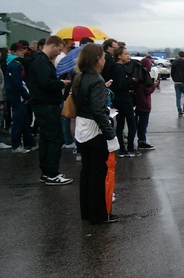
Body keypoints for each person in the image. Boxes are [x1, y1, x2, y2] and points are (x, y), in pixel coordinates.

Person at [72, 44, 120, 224]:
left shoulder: (78, 77)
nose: (105, 59)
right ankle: (99, 214)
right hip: (95, 131)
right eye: (103, 56)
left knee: (86, 172)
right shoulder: (96, 80)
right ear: (97, 59)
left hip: (81, 129)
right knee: (98, 174)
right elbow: (98, 111)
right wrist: (111, 135)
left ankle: (87, 212)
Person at [26, 35, 73, 185]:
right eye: (59, 50)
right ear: (53, 45)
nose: (59, 53)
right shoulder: (41, 61)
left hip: (41, 103)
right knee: (54, 138)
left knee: (46, 139)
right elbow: (45, 82)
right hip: (46, 104)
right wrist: (60, 83)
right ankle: (52, 173)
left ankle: (46, 172)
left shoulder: (37, 59)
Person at [5, 42, 37, 153]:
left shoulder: (15, 63)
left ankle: (30, 143)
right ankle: (16, 145)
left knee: (23, 121)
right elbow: (17, 83)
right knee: (19, 121)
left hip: (18, 97)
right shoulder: (15, 65)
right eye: (20, 50)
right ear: (13, 51)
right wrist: (26, 95)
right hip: (18, 97)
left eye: (23, 50)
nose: (23, 52)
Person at [110, 46, 140, 158]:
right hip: (124, 99)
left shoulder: (113, 67)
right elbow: (121, 84)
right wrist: (131, 81)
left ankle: (122, 149)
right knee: (132, 124)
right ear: (119, 55)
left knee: (120, 124)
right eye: (126, 54)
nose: (128, 56)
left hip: (117, 100)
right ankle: (130, 148)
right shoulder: (119, 68)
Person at [135, 54, 158, 150]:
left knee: (137, 123)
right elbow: (147, 91)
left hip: (137, 103)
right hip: (144, 103)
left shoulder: (137, 75)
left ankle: (138, 139)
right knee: (143, 124)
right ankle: (142, 141)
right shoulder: (144, 76)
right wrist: (153, 86)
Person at [171, 51, 184, 117]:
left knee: (178, 97)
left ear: (178, 55)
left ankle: (179, 111)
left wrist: (174, 79)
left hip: (177, 82)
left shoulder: (174, 63)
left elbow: (172, 73)